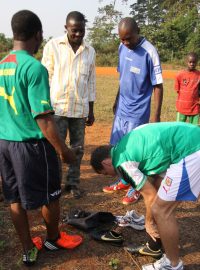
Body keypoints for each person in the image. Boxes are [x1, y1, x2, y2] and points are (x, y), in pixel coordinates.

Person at [0, 10, 83, 266]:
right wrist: (64, 151)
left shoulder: (2, 64)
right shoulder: (34, 68)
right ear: (38, 35)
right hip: (32, 146)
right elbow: (44, 119)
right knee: (51, 194)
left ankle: (28, 249)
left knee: (14, 199)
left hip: (5, 144)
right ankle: (53, 238)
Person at [90, 122, 200, 270]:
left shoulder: (121, 163)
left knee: (161, 210)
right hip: (190, 138)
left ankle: (172, 264)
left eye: (105, 173)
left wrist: (149, 223)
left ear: (106, 163)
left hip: (190, 150)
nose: (110, 176)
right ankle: (157, 246)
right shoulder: (126, 142)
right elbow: (156, 183)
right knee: (161, 203)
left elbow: (150, 196)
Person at [102, 17, 163, 205]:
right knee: (119, 148)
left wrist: (156, 115)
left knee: (136, 152)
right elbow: (123, 78)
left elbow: (158, 85)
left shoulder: (149, 52)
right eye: (122, 39)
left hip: (138, 112)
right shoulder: (122, 48)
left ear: (138, 31)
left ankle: (136, 187)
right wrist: (116, 100)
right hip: (122, 109)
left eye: (128, 38)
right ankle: (124, 179)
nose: (125, 43)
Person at [42, 11, 96, 199]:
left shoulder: (90, 51)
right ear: (66, 28)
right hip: (57, 108)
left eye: (81, 31)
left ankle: (73, 183)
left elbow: (91, 82)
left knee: (78, 149)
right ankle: (54, 185)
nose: (78, 35)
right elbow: (45, 77)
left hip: (79, 110)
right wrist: (45, 108)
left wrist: (91, 109)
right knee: (55, 148)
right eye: (74, 30)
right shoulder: (53, 46)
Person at [175, 52, 200, 125]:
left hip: (195, 108)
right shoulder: (179, 75)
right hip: (182, 107)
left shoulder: (199, 75)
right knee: (179, 127)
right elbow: (177, 89)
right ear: (186, 62)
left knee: (194, 129)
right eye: (190, 62)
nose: (192, 64)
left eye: (194, 62)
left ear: (197, 62)